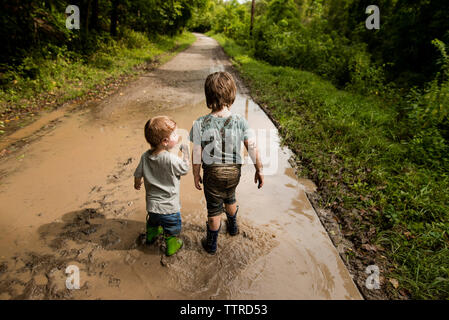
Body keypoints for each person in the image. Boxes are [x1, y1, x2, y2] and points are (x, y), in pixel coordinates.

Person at [189, 71, 264, 255]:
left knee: (214, 209)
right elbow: (252, 146)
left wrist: (195, 173)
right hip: (233, 172)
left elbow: (196, 152)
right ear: (232, 95)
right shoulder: (240, 121)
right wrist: (259, 169)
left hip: (212, 173)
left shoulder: (200, 123)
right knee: (230, 196)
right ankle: (233, 227)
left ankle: (212, 245)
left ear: (208, 97)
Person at [134, 116, 189, 256]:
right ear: (165, 142)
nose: (177, 137)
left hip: (152, 206)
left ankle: (151, 236)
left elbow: (138, 174)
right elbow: (184, 169)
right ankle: (172, 245)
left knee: (153, 222)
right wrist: (186, 154)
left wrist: (137, 183)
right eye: (175, 135)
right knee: (172, 229)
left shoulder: (145, 156)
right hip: (170, 208)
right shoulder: (171, 159)